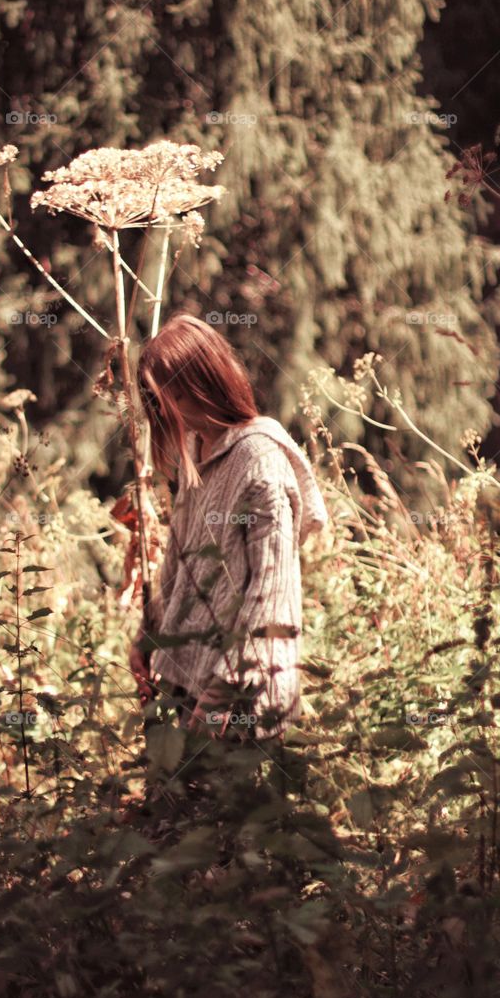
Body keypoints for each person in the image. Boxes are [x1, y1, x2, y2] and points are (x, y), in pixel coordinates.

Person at [129, 312, 329, 743]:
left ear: (207, 385)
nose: (168, 412)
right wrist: (147, 638)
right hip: (186, 685)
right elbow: (180, 565)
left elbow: (270, 598)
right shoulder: (196, 450)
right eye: (162, 400)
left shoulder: (260, 462)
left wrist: (217, 699)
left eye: (177, 398)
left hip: (241, 702)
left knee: (231, 809)